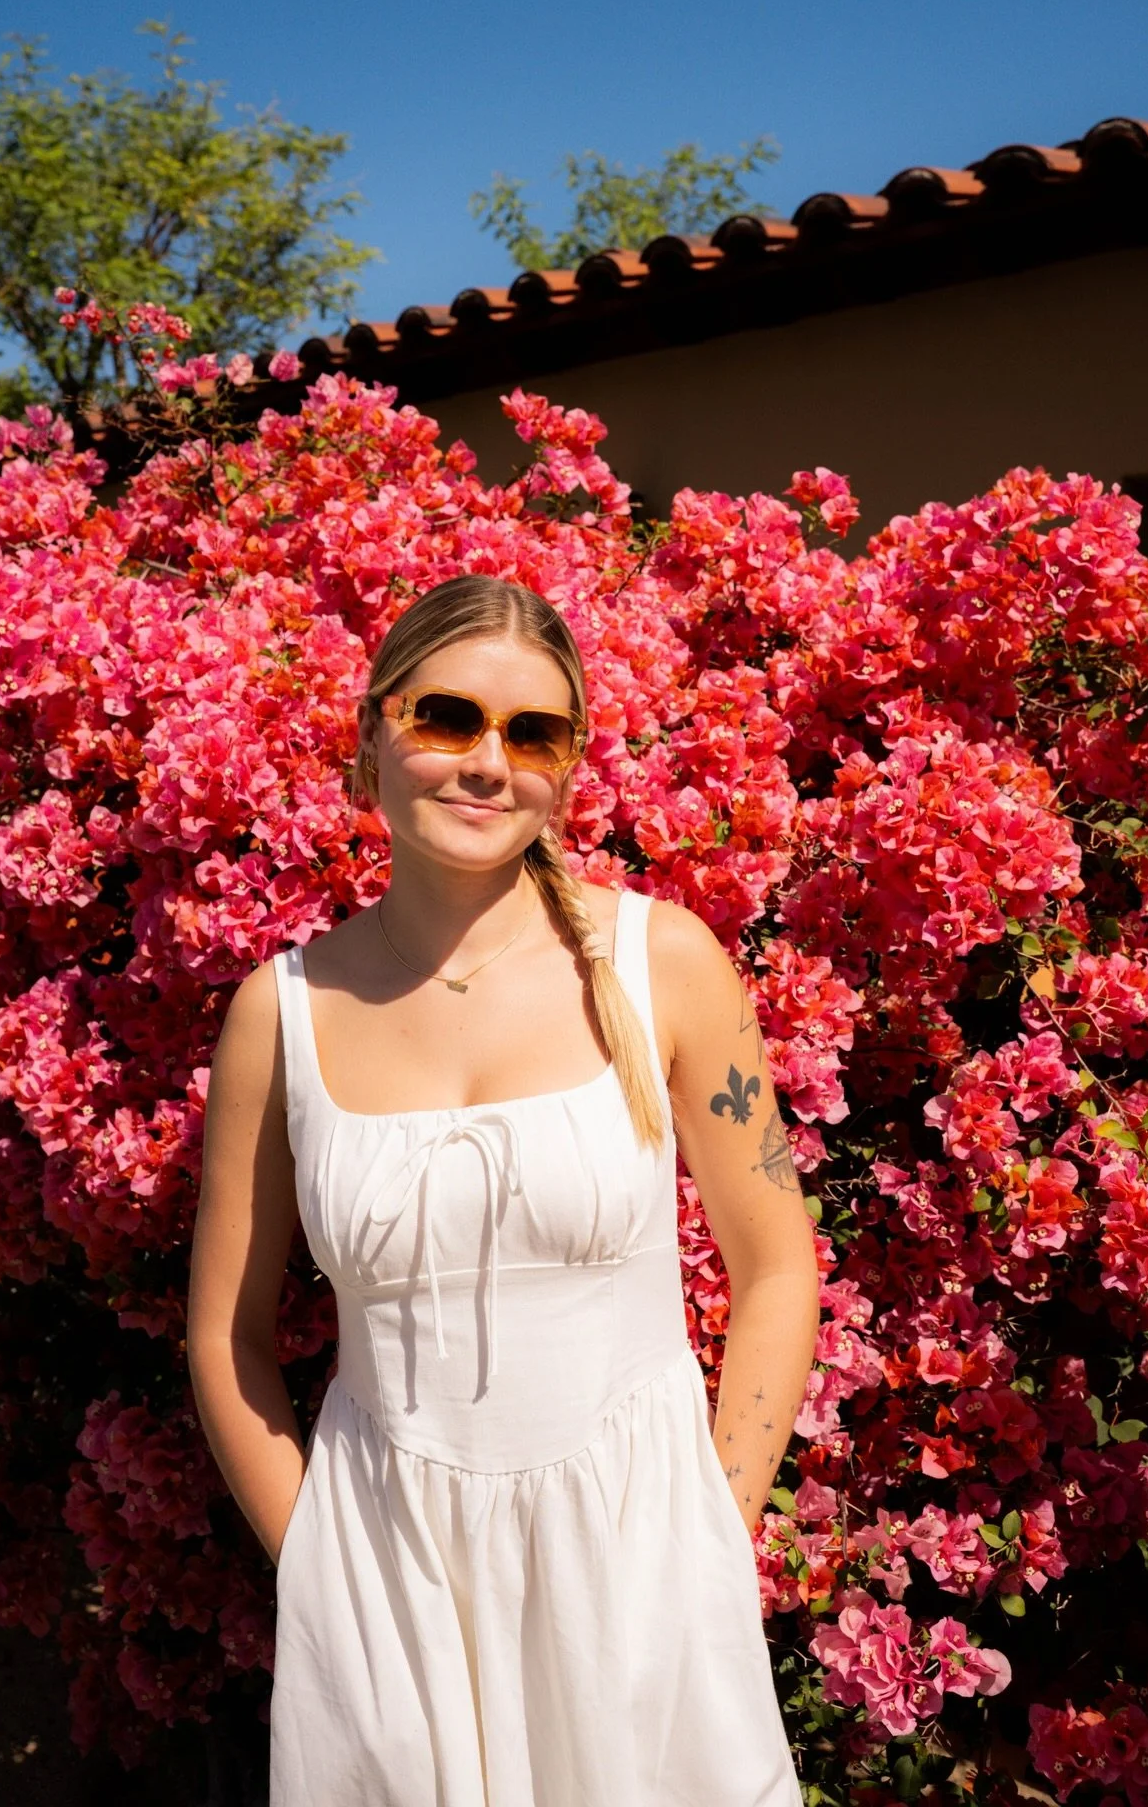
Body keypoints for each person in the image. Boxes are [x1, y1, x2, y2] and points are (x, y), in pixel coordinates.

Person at [188, 573, 821, 1805]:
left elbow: (778, 1264)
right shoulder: (283, 1015)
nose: (488, 762)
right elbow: (227, 1336)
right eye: (447, 717)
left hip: (641, 1573)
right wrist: (315, 1560)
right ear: (375, 728)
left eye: (533, 734)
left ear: (569, 767)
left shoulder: (663, 964)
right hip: (389, 1581)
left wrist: (712, 1525)